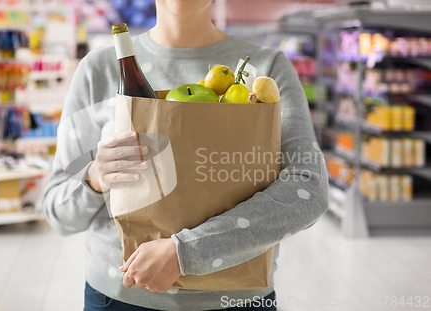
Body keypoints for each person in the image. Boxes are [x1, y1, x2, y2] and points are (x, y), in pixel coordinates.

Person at [42, 0, 329, 310]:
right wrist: (95, 178)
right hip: (119, 296)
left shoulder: (266, 71)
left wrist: (186, 253)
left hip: (236, 300)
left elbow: (308, 187)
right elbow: (57, 212)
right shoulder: (98, 70)